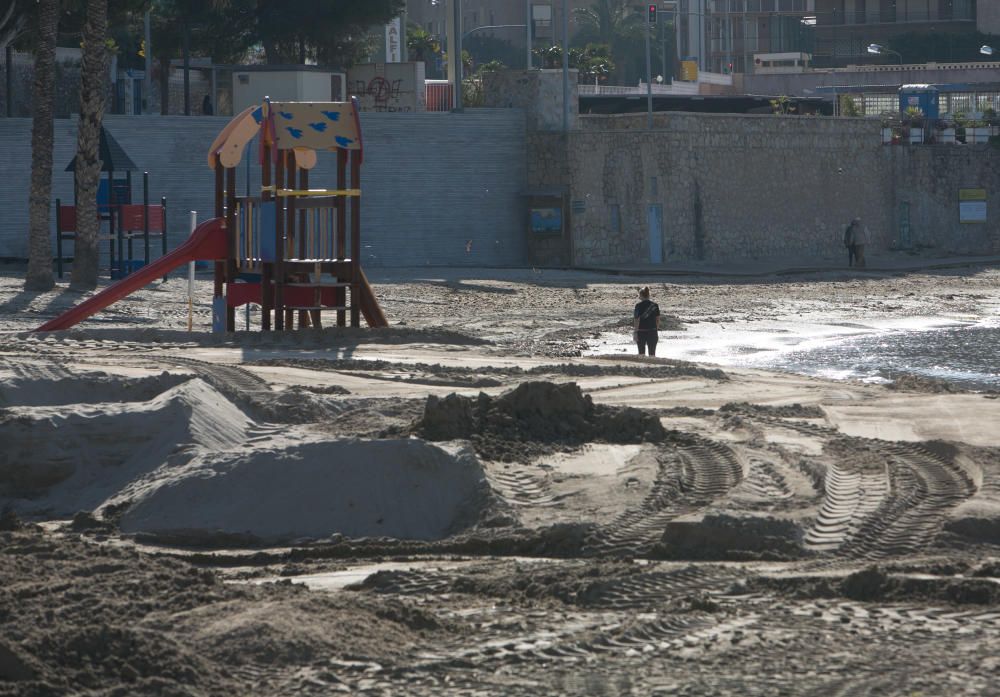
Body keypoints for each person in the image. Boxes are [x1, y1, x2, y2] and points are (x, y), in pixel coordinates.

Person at [633, 286, 661, 357]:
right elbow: (657, 320)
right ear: (648, 295)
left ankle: (642, 368)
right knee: (652, 355)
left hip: (641, 332)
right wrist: (655, 330)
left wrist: (635, 332)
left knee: (641, 354)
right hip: (652, 331)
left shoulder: (638, 306)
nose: (639, 297)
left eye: (639, 295)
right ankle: (651, 368)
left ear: (641, 295)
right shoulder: (655, 305)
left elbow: (637, 320)